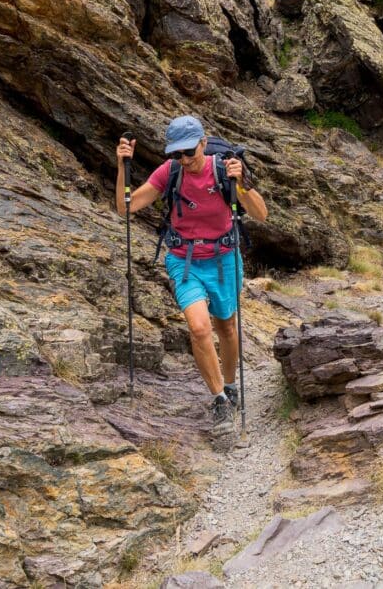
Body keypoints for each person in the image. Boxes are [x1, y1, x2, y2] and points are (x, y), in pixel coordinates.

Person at [115, 115, 268, 433]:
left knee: (226, 325)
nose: (183, 160)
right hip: (183, 261)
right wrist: (122, 166)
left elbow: (261, 213)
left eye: (189, 152)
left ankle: (229, 385)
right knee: (199, 328)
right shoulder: (169, 173)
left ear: (202, 142)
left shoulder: (226, 169)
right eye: (176, 154)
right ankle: (219, 401)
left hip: (224, 259)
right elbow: (126, 207)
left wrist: (242, 183)